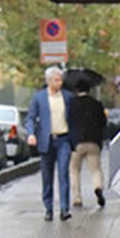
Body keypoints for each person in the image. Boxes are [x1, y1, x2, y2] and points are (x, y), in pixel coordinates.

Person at [25, 66, 74, 221]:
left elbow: (74, 117)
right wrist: (31, 133)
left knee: (64, 173)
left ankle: (64, 208)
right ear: (48, 81)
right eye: (56, 80)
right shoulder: (39, 98)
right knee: (47, 176)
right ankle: (48, 208)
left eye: (60, 80)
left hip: (63, 139)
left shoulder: (67, 97)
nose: (59, 83)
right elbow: (31, 117)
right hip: (46, 141)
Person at [68, 80, 107, 209]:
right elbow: (103, 122)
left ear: (77, 90)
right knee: (95, 170)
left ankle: (77, 198)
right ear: (89, 90)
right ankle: (98, 187)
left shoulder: (71, 104)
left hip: (76, 143)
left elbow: (67, 121)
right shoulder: (96, 104)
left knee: (74, 170)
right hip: (93, 141)